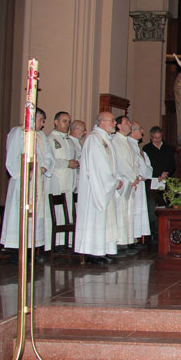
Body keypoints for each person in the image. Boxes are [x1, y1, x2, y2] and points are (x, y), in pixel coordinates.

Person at [0, 108, 55, 257]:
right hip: (22, 182)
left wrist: (43, 168)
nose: (42, 124)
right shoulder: (18, 133)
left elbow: (49, 156)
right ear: (31, 118)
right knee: (20, 215)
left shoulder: (41, 136)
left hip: (37, 180)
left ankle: (31, 250)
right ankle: (16, 252)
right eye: (40, 120)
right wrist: (26, 171)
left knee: (34, 216)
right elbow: (12, 157)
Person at [75, 111, 122, 264]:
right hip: (95, 188)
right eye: (112, 120)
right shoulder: (94, 139)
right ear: (101, 122)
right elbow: (98, 167)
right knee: (96, 219)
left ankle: (104, 250)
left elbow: (111, 164)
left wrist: (116, 179)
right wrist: (111, 182)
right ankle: (92, 252)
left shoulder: (105, 139)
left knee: (106, 220)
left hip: (106, 185)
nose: (115, 123)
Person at [46, 111, 79, 251]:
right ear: (56, 122)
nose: (67, 124)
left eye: (69, 122)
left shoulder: (70, 141)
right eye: (64, 121)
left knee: (68, 211)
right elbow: (49, 161)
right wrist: (66, 163)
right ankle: (56, 243)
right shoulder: (51, 139)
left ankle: (67, 241)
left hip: (69, 181)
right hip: (57, 181)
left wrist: (76, 163)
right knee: (58, 211)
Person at [143, 126, 176, 238]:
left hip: (165, 181)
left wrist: (166, 173)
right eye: (155, 138)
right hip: (152, 181)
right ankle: (153, 230)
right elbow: (146, 166)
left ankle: (165, 229)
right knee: (151, 204)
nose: (157, 140)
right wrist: (156, 175)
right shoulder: (146, 149)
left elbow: (172, 164)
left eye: (159, 138)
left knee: (165, 203)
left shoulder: (167, 148)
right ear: (151, 137)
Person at [112, 116, 139, 253]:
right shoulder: (115, 141)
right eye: (127, 123)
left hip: (131, 182)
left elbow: (135, 162)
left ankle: (127, 241)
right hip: (122, 182)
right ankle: (119, 243)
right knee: (120, 212)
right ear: (119, 126)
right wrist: (133, 177)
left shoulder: (127, 141)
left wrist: (136, 176)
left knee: (128, 212)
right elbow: (121, 163)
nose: (130, 125)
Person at [129, 122, 152, 246]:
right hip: (134, 183)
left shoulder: (138, 148)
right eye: (139, 129)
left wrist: (145, 174)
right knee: (132, 211)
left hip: (141, 183)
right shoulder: (129, 145)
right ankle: (131, 238)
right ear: (132, 131)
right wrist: (142, 174)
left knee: (139, 211)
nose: (142, 131)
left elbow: (148, 169)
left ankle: (136, 237)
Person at [69, 119, 86, 192]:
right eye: (83, 130)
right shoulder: (69, 142)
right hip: (72, 178)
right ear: (75, 129)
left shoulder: (78, 143)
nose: (85, 132)